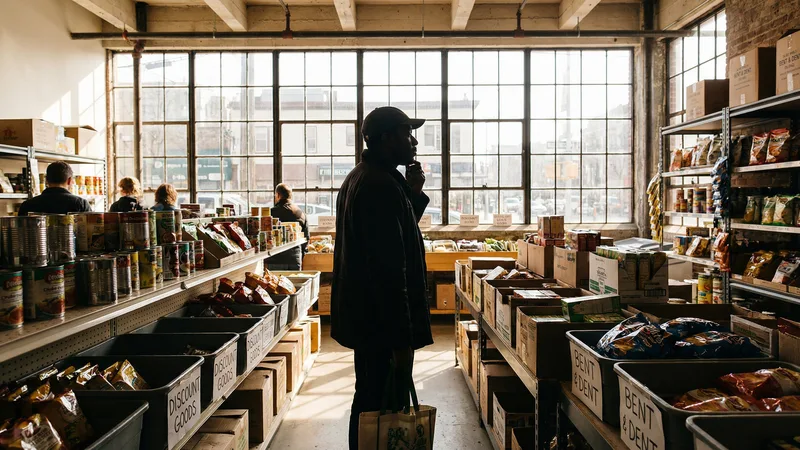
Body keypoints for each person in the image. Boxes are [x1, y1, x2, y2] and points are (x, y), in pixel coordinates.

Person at [330, 106, 433, 450]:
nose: (414, 140)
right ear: (387, 139)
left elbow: (396, 234)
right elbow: (390, 271)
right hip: (382, 324)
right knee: (379, 405)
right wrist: (401, 342)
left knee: (372, 401)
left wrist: (413, 195)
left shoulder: (367, 176)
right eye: (407, 133)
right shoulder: (379, 186)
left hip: (369, 319)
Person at [18, 161, 91, 216]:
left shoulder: (27, 205)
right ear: (69, 180)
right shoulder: (81, 204)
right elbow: (91, 232)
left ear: (46, 180)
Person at [267, 183, 309, 270]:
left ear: (278, 195)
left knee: (275, 283)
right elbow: (306, 238)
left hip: (275, 259)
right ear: (290, 196)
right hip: (294, 258)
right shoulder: (301, 213)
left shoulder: (271, 213)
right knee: (294, 283)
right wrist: (300, 255)